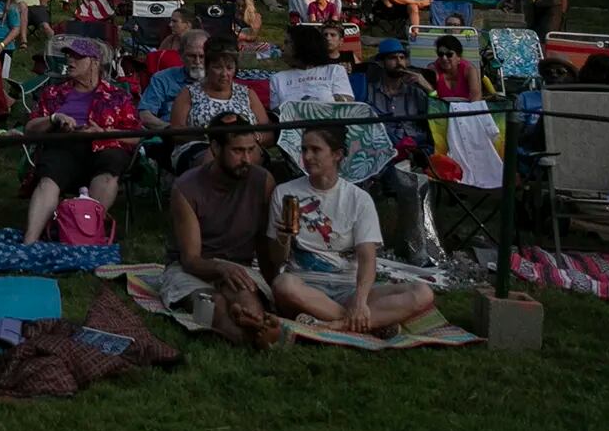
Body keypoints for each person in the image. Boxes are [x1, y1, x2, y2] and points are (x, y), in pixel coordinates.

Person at [266, 124, 436, 333]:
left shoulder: (358, 199)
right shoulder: (285, 193)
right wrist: (283, 238)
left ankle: (335, 324)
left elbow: (367, 257)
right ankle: (369, 323)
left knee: (423, 292)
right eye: (304, 149)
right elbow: (276, 259)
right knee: (283, 285)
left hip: (349, 287)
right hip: (306, 286)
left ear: (337, 154)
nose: (307, 157)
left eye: (315, 150)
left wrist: (360, 301)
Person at [159, 113, 279, 345]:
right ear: (215, 148)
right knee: (211, 304)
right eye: (237, 151)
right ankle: (242, 337)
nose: (247, 159)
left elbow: (264, 245)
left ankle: (256, 324)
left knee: (247, 301)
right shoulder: (186, 187)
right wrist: (220, 268)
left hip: (239, 267)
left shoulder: (262, 181)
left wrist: (272, 285)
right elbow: (190, 259)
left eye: (251, 150)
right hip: (191, 269)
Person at [20, 40, 139, 244]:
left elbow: (136, 135)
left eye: (77, 57)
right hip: (66, 144)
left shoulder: (117, 96)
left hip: (105, 146)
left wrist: (103, 132)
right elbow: (30, 128)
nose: (70, 61)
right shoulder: (54, 93)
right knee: (49, 175)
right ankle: (30, 240)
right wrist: (54, 119)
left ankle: (85, 233)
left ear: (94, 62)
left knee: (109, 169)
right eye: (68, 56)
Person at [167, 38, 265, 173]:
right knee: (214, 156)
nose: (224, 74)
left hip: (245, 147)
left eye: (229, 68)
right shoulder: (189, 93)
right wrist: (207, 135)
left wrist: (255, 137)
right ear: (207, 67)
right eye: (217, 67)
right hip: (201, 146)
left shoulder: (248, 94)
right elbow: (175, 132)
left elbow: (268, 130)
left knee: (251, 156)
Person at [364, 39, 432, 159]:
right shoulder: (368, 92)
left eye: (402, 58)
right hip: (383, 149)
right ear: (381, 62)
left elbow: (440, 114)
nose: (399, 62)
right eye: (392, 58)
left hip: (416, 147)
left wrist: (428, 88)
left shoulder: (416, 92)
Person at [428, 35, 481, 101]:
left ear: (459, 57)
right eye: (440, 54)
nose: (444, 58)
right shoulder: (433, 70)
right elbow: (431, 98)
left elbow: (476, 96)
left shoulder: (469, 70)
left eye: (449, 55)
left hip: (466, 109)